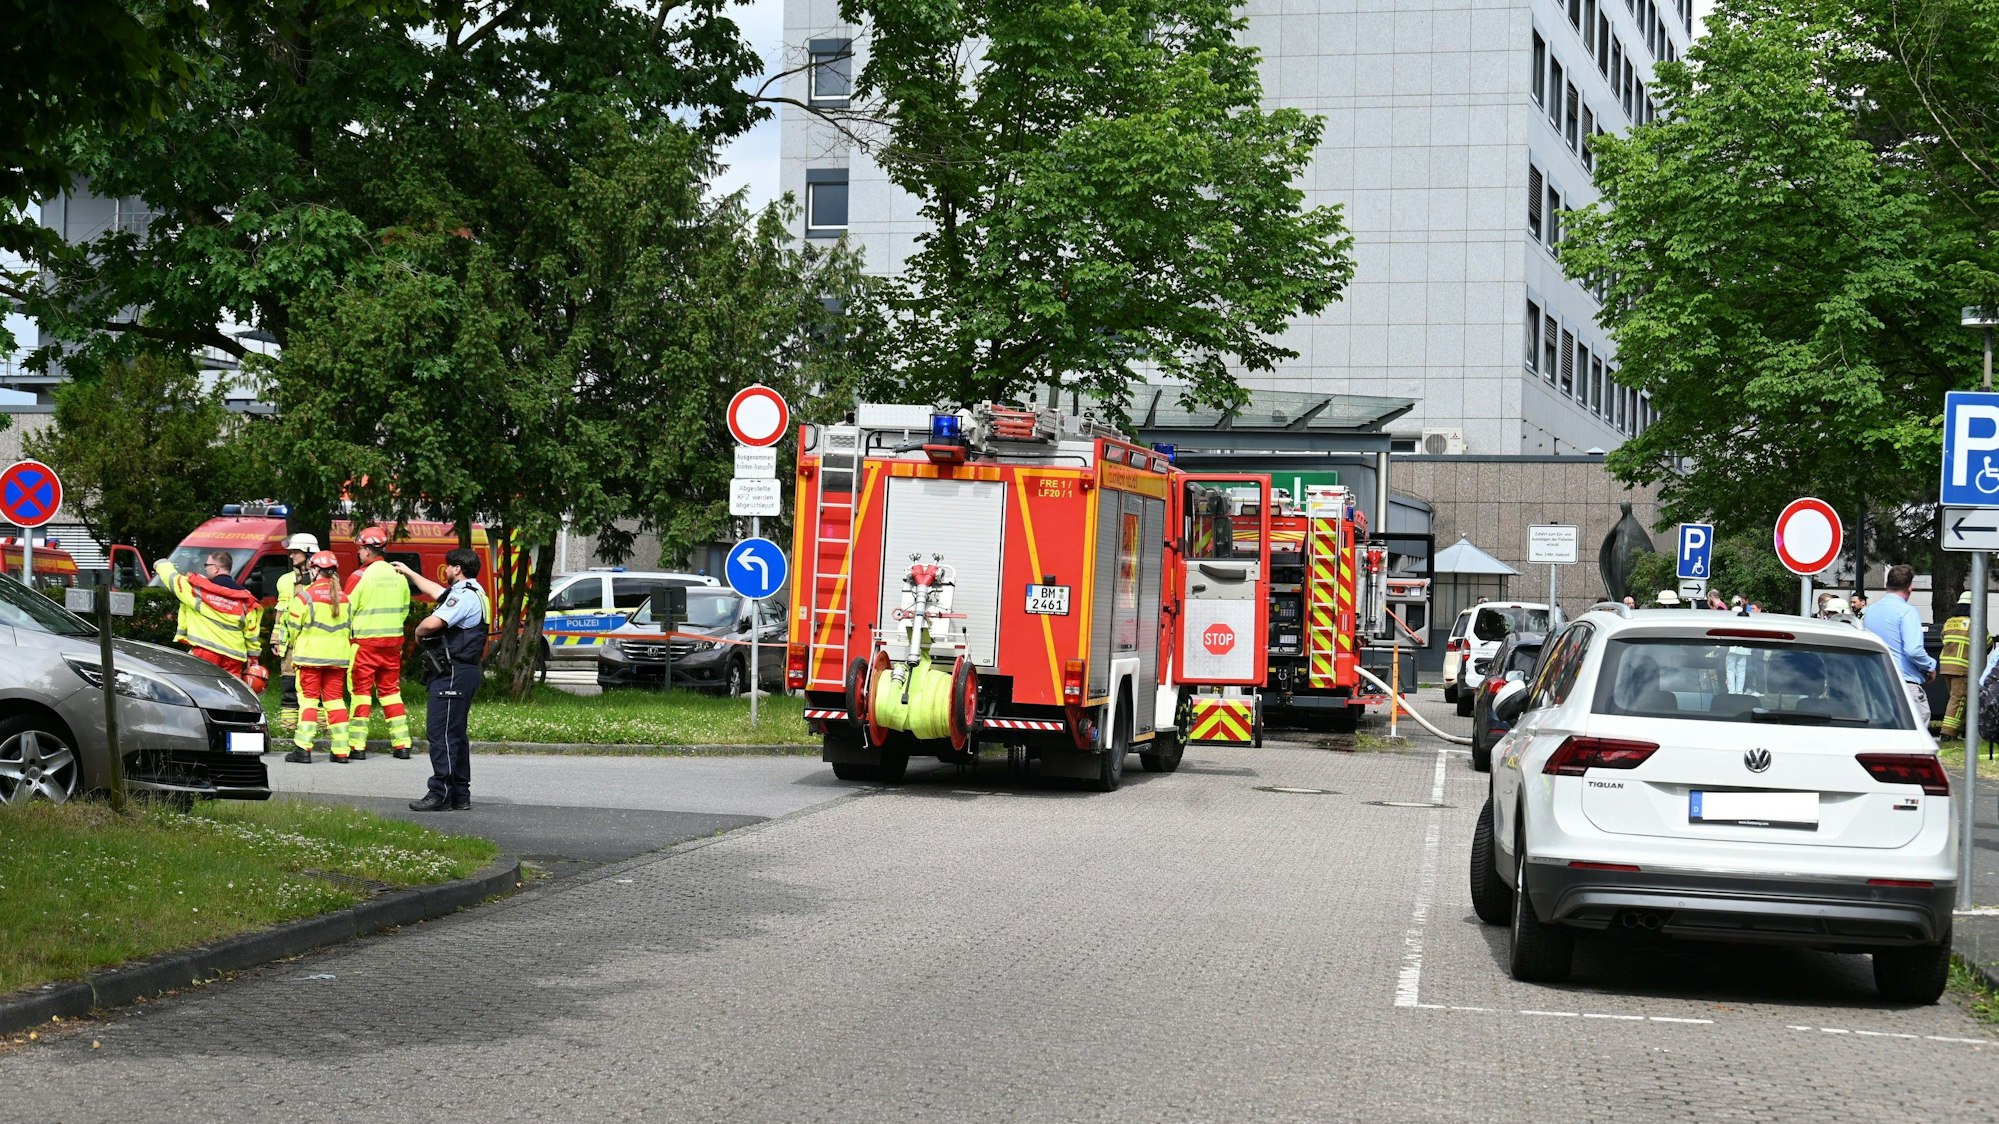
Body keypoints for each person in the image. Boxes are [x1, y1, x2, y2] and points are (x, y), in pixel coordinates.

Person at [393, 549, 488, 811]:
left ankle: (440, 793)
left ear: (457, 569)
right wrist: (409, 572)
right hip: (462, 671)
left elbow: (433, 623)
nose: (445, 571)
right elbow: (437, 592)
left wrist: (418, 633)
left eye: (448, 567)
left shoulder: (464, 597)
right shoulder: (473, 592)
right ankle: (459, 794)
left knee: (441, 733)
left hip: (453, 672)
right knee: (454, 734)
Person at [344, 528, 414, 761]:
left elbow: (346, 612)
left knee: (361, 694)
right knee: (391, 693)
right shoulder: (398, 576)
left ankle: (357, 745)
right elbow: (404, 610)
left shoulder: (359, 577)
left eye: (360, 549)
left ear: (367, 550)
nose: (359, 553)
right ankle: (402, 744)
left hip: (364, 645)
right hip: (392, 645)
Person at [284, 551, 354, 764]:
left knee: (308, 702)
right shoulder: (344, 598)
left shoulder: (305, 597)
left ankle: (303, 749)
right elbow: (349, 628)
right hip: (338, 659)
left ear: (314, 570)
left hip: (310, 659)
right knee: (335, 702)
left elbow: (293, 628)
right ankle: (342, 750)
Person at [154, 550, 263, 685]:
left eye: (207, 565)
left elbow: (173, 580)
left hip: (205, 651)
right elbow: (252, 633)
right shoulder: (246, 599)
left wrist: (162, 564)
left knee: (201, 689)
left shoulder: (198, 590)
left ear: (216, 568)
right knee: (231, 692)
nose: (205, 569)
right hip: (234, 656)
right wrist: (253, 659)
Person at [1863, 564, 1938, 728]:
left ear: (1886, 584)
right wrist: (1930, 665)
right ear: (1910, 587)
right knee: (1914, 738)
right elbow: (1913, 650)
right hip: (1904, 684)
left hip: (1875, 682)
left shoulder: (1871, 611)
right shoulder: (1906, 612)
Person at [270, 533, 320, 733]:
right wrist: (275, 639)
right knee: (289, 685)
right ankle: (288, 728)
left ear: (308, 553)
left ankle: (321, 728)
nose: (291, 556)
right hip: (290, 643)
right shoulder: (285, 580)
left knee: (317, 689)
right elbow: (280, 611)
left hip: (315, 641)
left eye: (295, 552)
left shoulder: (324, 580)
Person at [1937, 591, 1973, 737]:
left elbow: (1942, 638)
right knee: (1958, 699)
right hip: (1961, 667)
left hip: (1946, 666)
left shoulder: (1949, 622)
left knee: (1959, 698)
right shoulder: (1973, 623)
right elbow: (1987, 642)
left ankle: (1964, 729)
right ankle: (1947, 733)